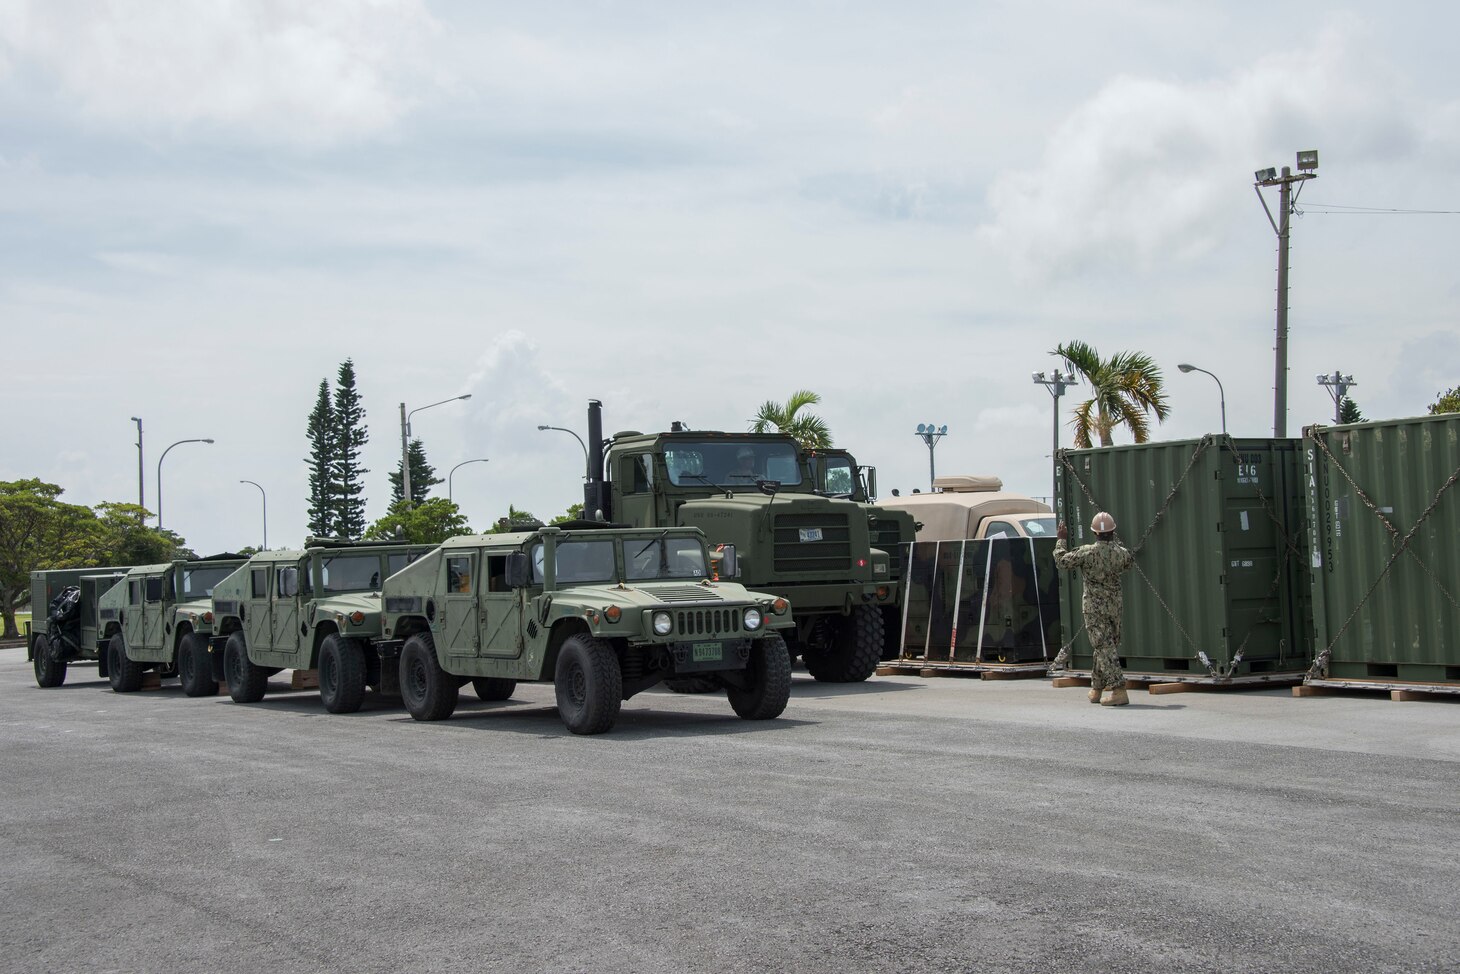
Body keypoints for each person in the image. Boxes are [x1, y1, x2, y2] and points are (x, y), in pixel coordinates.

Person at [1053, 511, 1135, 706]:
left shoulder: (1087, 552)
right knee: (1106, 646)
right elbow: (1128, 564)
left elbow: (1061, 561)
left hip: (1094, 608)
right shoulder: (1122, 553)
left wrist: (1061, 541)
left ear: (1095, 533)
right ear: (1113, 531)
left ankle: (1118, 689)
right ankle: (1097, 688)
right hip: (1115, 606)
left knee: (1103, 646)